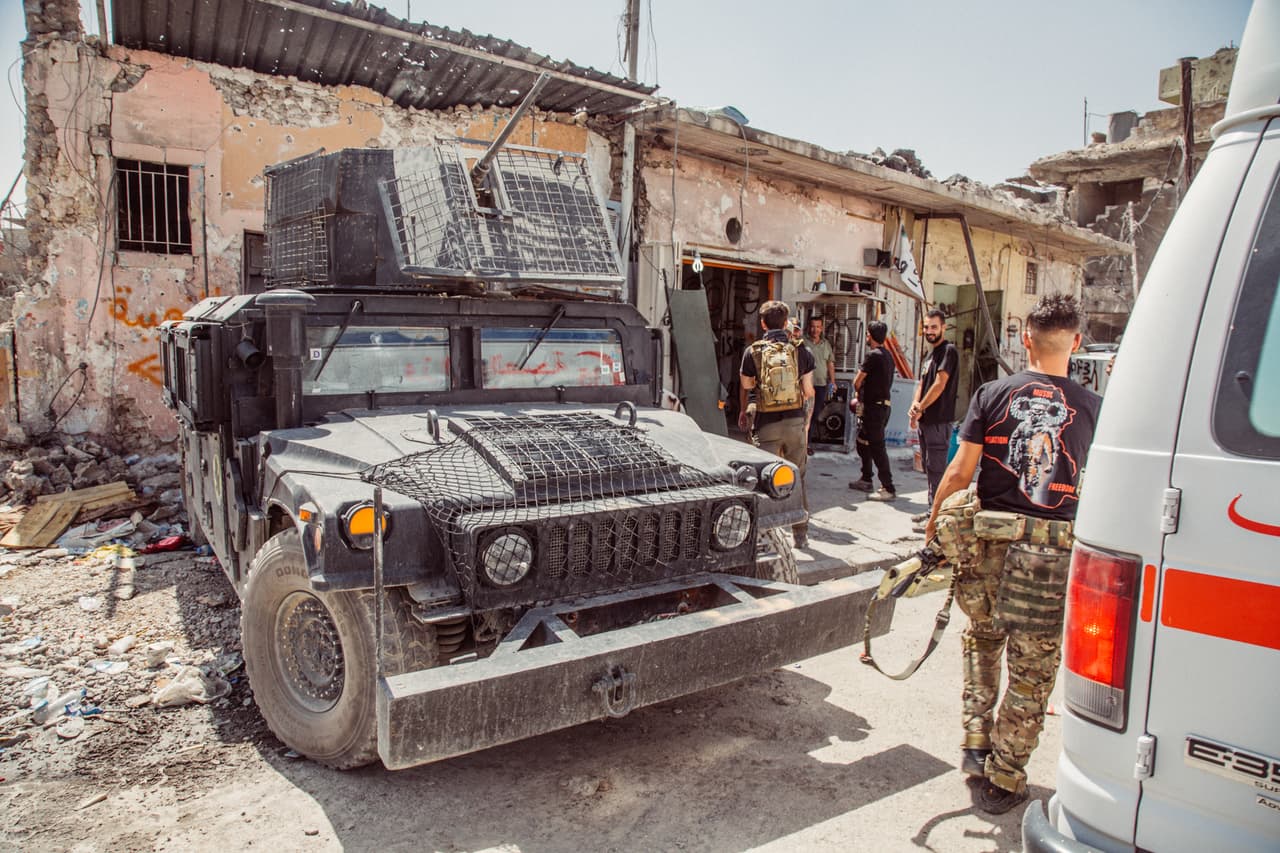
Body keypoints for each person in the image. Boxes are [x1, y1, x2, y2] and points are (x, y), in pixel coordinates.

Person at [923, 293, 1101, 815]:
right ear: (1077, 342)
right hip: (1048, 559)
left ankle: (976, 741)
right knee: (1033, 667)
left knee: (982, 640)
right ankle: (1004, 776)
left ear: (1025, 338)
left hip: (988, 549)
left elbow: (958, 475)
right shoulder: (1093, 409)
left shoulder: (992, 393)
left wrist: (932, 534)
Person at [740, 301, 816, 548]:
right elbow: (808, 390)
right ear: (786, 323)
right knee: (799, 477)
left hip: (767, 424)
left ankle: (766, 536)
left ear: (762, 323)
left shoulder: (753, 351)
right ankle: (800, 534)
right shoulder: (801, 350)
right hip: (795, 423)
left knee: (766, 479)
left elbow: (747, 386)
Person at [909, 308, 959, 525]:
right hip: (926, 420)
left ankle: (938, 518)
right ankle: (932, 510)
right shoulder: (930, 355)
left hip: (939, 421)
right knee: (930, 469)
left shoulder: (949, 351)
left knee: (938, 469)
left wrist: (920, 408)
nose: (929, 331)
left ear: (943, 327)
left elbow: (940, 385)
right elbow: (922, 383)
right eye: (927, 327)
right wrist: (914, 406)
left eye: (934, 327)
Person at [849, 320, 896, 500]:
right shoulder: (888, 356)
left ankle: (888, 487)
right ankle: (866, 478)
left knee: (877, 447)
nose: (866, 337)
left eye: (868, 334)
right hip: (881, 408)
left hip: (873, 409)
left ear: (871, 335)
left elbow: (857, 380)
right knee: (863, 442)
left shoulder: (873, 355)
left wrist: (858, 391)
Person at [802, 315, 836, 455]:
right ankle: (802, 445)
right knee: (803, 415)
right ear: (809, 327)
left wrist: (832, 381)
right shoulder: (803, 342)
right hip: (804, 385)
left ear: (821, 328)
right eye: (812, 326)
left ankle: (807, 443)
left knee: (814, 415)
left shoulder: (826, 344)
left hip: (820, 385)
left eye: (818, 327)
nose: (815, 330)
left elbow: (830, 363)